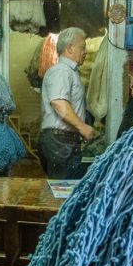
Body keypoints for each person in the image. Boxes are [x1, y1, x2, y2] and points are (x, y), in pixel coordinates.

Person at [39, 26, 95, 179]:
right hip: (60, 141)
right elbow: (59, 102)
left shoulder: (70, 72)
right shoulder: (62, 71)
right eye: (82, 47)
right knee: (62, 188)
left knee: (67, 186)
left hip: (63, 140)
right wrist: (82, 127)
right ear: (70, 48)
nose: (85, 52)